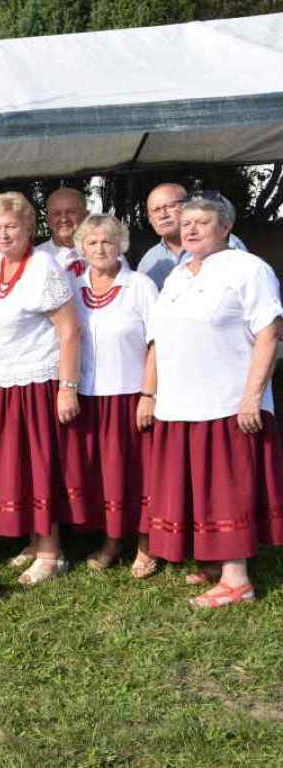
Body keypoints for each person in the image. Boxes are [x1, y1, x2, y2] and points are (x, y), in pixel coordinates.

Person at [139, 194, 283, 607]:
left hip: (225, 400)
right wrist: (150, 392)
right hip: (180, 402)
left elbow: (269, 333)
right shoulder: (178, 275)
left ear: (226, 227)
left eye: (202, 221)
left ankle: (237, 581)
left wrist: (252, 396)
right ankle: (218, 561)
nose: (190, 228)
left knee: (225, 487)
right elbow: (159, 339)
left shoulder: (248, 268)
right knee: (198, 487)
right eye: (186, 223)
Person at [0, 192, 84, 585]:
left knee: (41, 466)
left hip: (39, 381)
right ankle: (35, 543)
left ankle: (52, 553)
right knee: (18, 466)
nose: (4, 234)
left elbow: (70, 331)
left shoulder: (43, 265)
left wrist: (67, 388)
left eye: (12, 227)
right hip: (4, 382)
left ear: (28, 228)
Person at [70, 215, 159, 573]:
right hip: (89, 396)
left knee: (137, 474)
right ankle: (110, 541)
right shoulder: (73, 286)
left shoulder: (140, 285)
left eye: (107, 241)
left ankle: (146, 546)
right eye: (92, 242)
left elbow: (158, 342)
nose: (100, 248)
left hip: (129, 396)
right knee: (104, 475)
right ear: (82, 248)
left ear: (120, 244)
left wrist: (149, 394)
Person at [137, 183, 247, 290]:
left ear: (188, 207)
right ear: (150, 218)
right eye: (156, 210)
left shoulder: (225, 244)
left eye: (170, 206)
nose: (163, 215)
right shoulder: (148, 261)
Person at [36, 188, 88, 277]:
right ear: (48, 220)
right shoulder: (34, 258)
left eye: (71, 212)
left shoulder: (105, 253)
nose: (64, 219)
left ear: (86, 216)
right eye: (57, 213)